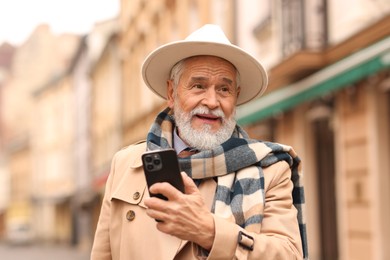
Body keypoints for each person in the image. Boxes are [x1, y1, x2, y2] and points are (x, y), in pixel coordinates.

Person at [91, 24, 308, 260]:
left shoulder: (271, 169)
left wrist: (209, 231)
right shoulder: (125, 164)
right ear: (172, 94)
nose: (212, 101)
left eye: (224, 89)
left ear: (235, 97)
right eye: (198, 86)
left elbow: (289, 255)